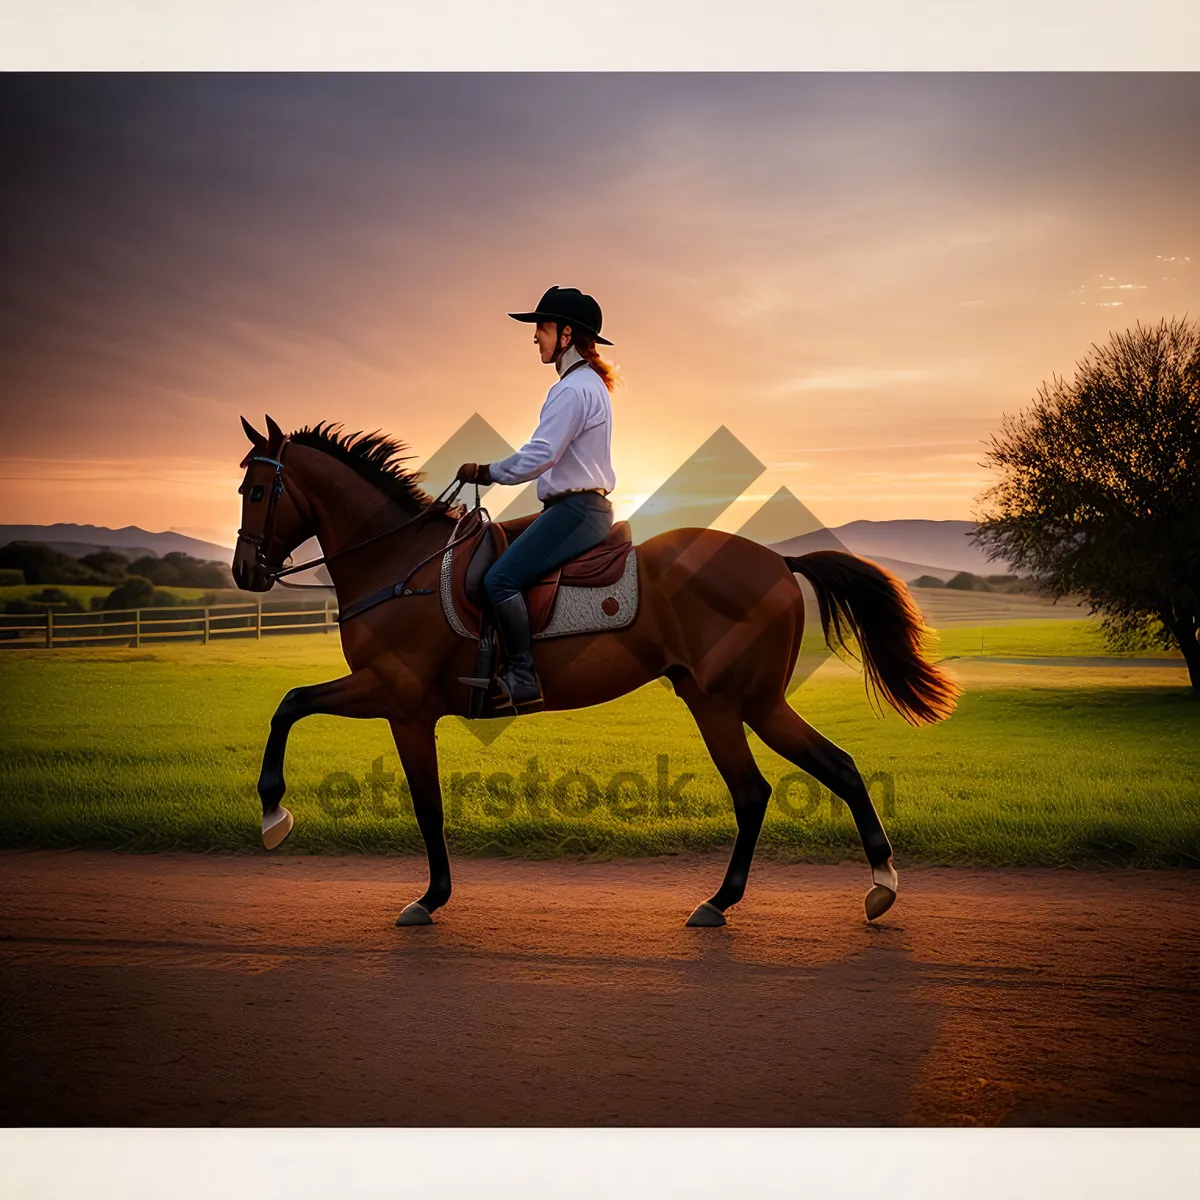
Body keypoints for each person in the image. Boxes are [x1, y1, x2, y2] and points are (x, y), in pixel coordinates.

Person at [455, 286, 619, 713]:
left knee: (498, 579)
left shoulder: (570, 391)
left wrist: (486, 471)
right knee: (490, 541)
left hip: (575, 511)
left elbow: (541, 455)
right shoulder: (590, 384)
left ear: (565, 335)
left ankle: (523, 677)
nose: (535, 338)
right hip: (578, 508)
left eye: (542, 329)